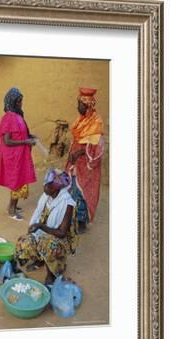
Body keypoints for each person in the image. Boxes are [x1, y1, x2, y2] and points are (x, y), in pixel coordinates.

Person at [15, 169, 78, 285]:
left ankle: (52, 274)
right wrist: (34, 227)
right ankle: (39, 259)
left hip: (59, 239)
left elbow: (62, 232)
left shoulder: (67, 204)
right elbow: (38, 213)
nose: (44, 187)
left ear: (55, 187)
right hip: (44, 232)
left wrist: (40, 226)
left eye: (47, 185)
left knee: (47, 245)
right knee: (25, 241)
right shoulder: (46, 196)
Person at [66, 87, 104, 233]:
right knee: (73, 189)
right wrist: (73, 153)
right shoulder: (80, 120)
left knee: (84, 192)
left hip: (87, 165)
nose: (78, 107)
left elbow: (97, 148)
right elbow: (77, 139)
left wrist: (80, 152)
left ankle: (81, 222)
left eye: (80, 104)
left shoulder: (96, 122)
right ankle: (72, 219)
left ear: (88, 105)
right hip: (76, 162)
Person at [0, 87, 37, 221]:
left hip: (20, 155)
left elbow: (19, 133)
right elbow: (7, 141)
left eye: (21, 101)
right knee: (17, 181)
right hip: (13, 156)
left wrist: (29, 136)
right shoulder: (9, 118)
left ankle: (11, 205)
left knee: (19, 179)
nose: (21, 104)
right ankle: (12, 210)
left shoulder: (18, 116)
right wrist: (26, 141)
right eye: (19, 101)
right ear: (13, 102)